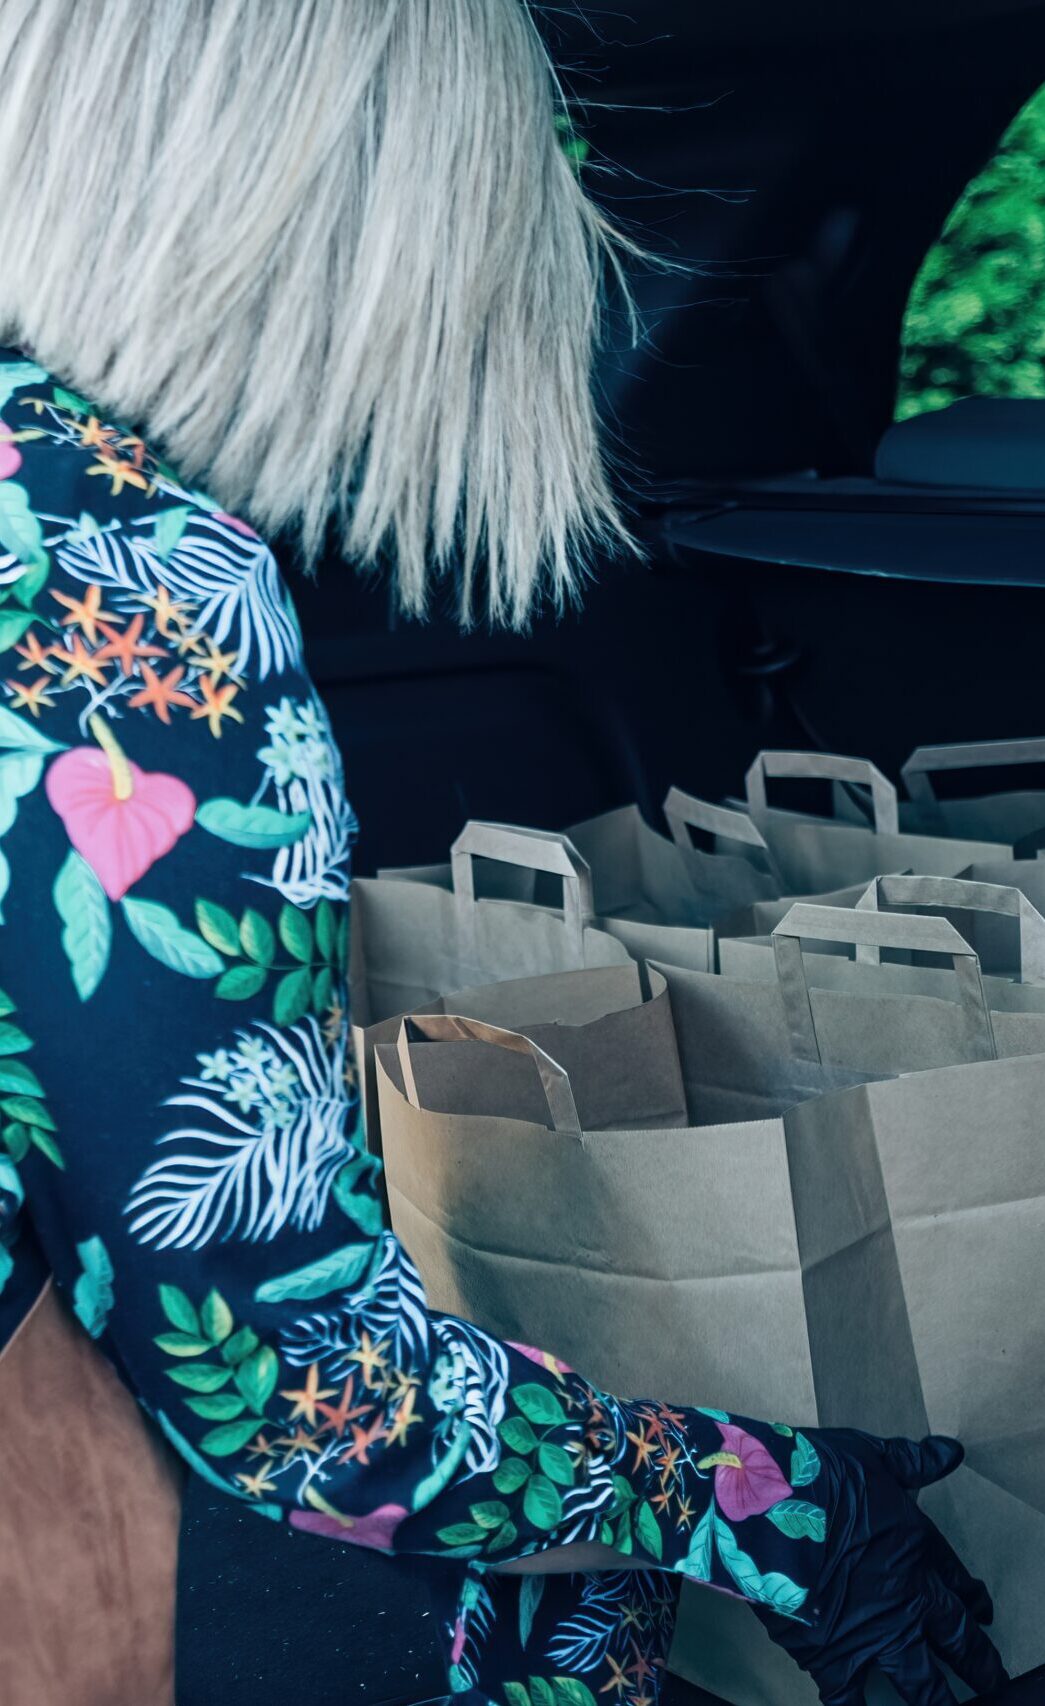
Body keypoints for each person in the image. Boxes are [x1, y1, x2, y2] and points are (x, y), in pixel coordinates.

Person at [0, 4, 1010, 1702]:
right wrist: (782, 1501)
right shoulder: (118, 588)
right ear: (375, 215)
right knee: (523, 1603)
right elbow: (305, 1407)